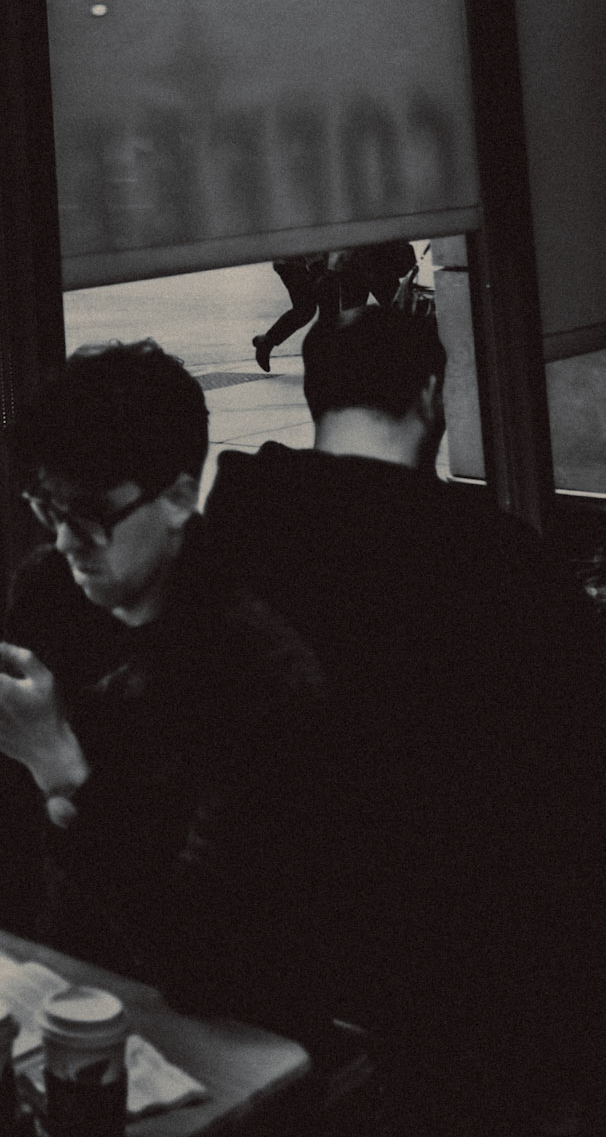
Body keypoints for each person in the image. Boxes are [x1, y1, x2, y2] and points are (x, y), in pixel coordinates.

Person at [202, 306, 606, 1133]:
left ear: (318, 400)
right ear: (430, 394)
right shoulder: (491, 559)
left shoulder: (236, 530)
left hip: (275, 948)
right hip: (454, 973)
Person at [0, 341, 335, 1045]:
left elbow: (205, 959)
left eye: (90, 514)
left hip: (206, 1028)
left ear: (179, 496)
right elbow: (2, 822)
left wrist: (61, 770)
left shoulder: (258, 672)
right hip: (47, 986)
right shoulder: (50, 593)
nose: (66, 541)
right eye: (47, 507)